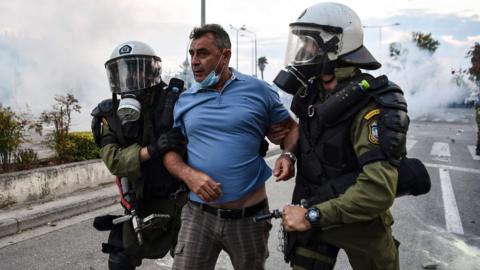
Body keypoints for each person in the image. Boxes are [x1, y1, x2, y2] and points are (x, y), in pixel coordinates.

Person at [273, 3, 410, 269]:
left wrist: (312, 215)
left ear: (336, 44)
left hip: (359, 225)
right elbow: (311, 131)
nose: (303, 51)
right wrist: (290, 154)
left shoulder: (371, 105)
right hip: (312, 218)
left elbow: (377, 191)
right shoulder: (313, 94)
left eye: (310, 43)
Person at [162, 24, 299, 270]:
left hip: (249, 218)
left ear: (225, 55)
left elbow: (291, 129)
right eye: (192, 53)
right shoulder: (184, 100)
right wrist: (189, 175)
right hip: (198, 216)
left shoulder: (258, 90)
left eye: (202, 53)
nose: (194, 61)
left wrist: (288, 155)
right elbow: (169, 152)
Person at [90, 41, 188, 269]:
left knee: (189, 260)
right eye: (122, 73)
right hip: (140, 200)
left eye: (136, 71)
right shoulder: (109, 116)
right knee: (120, 259)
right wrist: (152, 150)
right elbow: (115, 161)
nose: (130, 81)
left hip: (181, 200)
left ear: (152, 72)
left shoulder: (177, 102)